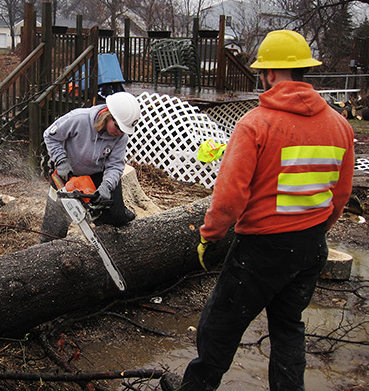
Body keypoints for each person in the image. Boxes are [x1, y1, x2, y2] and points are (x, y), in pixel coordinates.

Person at [162, 30, 355, 391]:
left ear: (268, 73)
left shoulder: (256, 123)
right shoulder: (340, 126)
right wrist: (315, 230)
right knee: (288, 328)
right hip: (311, 246)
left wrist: (210, 235)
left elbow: (230, 196)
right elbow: (340, 196)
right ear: (304, 72)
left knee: (219, 327)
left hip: (262, 249)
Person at [40, 91, 141, 243]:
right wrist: (60, 160)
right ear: (108, 115)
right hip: (69, 174)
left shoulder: (121, 137)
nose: (119, 132)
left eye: (123, 130)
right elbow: (50, 135)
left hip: (98, 175)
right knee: (54, 225)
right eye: (117, 127)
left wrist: (107, 185)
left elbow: (115, 165)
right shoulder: (78, 119)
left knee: (116, 217)